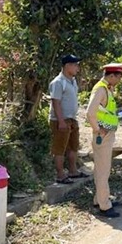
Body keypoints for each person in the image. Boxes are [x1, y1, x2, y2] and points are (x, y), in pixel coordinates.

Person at [86, 62, 122, 218]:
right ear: (111, 76)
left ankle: (100, 199)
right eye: (119, 77)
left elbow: (103, 111)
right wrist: (98, 129)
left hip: (106, 134)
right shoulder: (100, 90)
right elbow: (90, 113)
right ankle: (105, 206)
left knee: (102, 169)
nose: (120, 80)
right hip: (102, 136)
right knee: (103, 171)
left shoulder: (107, 89)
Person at [49, 54, 88, 184]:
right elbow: (56, 102)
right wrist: (60, 121)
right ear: (67, 66)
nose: (78, 68)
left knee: (73, 146)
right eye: (75, 65)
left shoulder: (72, 81)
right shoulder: (58, 83)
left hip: (72, 119)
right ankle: (60, 175)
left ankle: (73, 171)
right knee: (59, 148)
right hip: (61, 120)